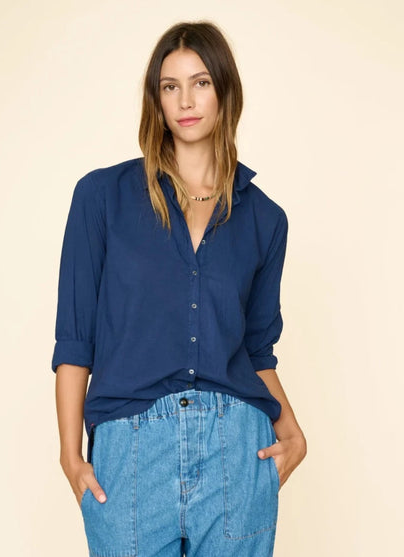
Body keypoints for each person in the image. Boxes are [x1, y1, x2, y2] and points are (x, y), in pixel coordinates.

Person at [52, 20, 307, 557]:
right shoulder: (102, 197)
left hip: (235, 446)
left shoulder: (266, 220)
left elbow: (256, 349)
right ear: (157, 98)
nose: (186, 101)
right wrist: (70, 455)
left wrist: (293, 432)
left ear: (225, 91)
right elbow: (75, 340)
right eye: (171, 86)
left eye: (201, 82)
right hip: (131, 451)